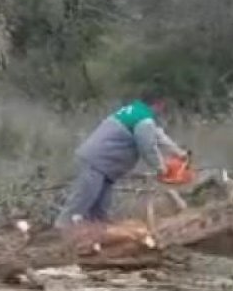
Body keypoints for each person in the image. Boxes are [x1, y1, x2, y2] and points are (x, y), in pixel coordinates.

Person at [56, 90, 188, 227]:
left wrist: (178, 152)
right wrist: (161, 168)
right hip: (96, 162)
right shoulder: (144, 120)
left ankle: (98, 235)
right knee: (81, 202)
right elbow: (147, 147)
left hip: (103, 165)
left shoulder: (135, 112)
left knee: (100, 208)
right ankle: (60, 232)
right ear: (159, 104)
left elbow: (157, 135)